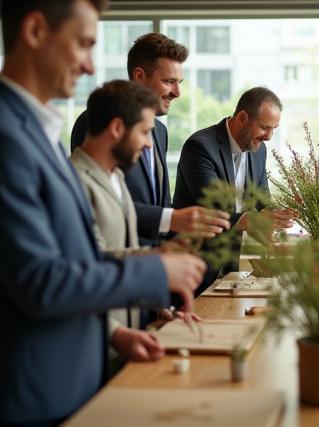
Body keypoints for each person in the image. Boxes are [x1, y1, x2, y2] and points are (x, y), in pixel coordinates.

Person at [0, 1, 206, 425]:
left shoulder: (40, 132)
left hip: (77, 382)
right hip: (36, 398)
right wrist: (156, 273)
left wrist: (111, 332)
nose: (92, 67)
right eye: (84, 44)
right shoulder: (8, 134)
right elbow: (39, 281)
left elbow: (75, 260)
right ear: (36, 31)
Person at [71, 80, 230, 363]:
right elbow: (83, 274)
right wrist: (160, 267)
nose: (148, 143)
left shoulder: (116, 178)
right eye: (144, 132)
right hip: (95, 350)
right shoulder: (74, 183)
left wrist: (158, 308)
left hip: (130, 340)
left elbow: (124, 255)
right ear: (118, 128)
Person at [70, 32, 228, 246]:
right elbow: (102, 200)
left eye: (179, 82)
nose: (177, 92)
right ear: (139, 76)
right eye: (169, 81)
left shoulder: (160, 132)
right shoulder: (96, 121)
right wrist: (171, 220)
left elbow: (160, 202)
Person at [173, 86, 296, 283]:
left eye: (274, 129)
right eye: (264, 127)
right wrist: (259, 220)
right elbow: (215, 212)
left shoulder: (258, 150)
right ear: (242, 118)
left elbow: (262, 202)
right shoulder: (200, 147)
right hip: (191, 269)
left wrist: (279, 218)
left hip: (228, 271)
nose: (269, 136)